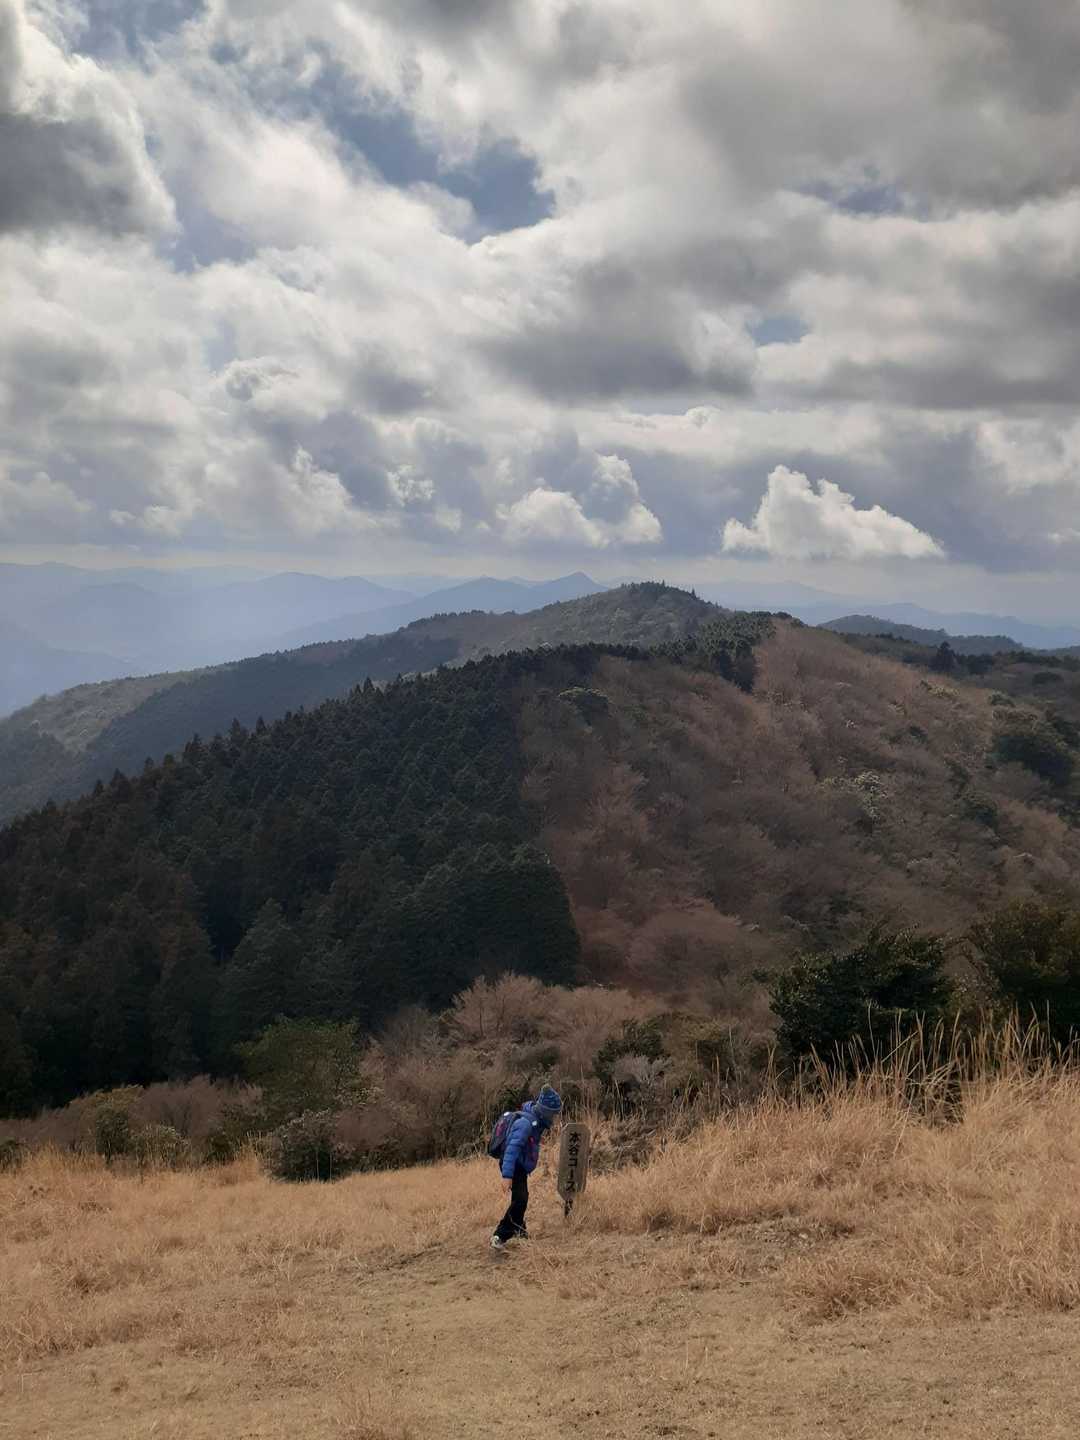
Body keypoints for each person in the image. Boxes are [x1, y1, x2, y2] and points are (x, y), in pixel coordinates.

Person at [490, 1085, 562, 1250]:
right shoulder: (526, 1124)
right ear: (545, 1111)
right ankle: (500, 1235)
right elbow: (512, 1149)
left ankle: (520, 1230)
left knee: (520, 1198)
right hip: (514, 1166)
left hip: (519, 1166)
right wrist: (507, 1176)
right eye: (553, 1114)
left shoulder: (535, 1120)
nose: (554, 1118)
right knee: (521, 1200)